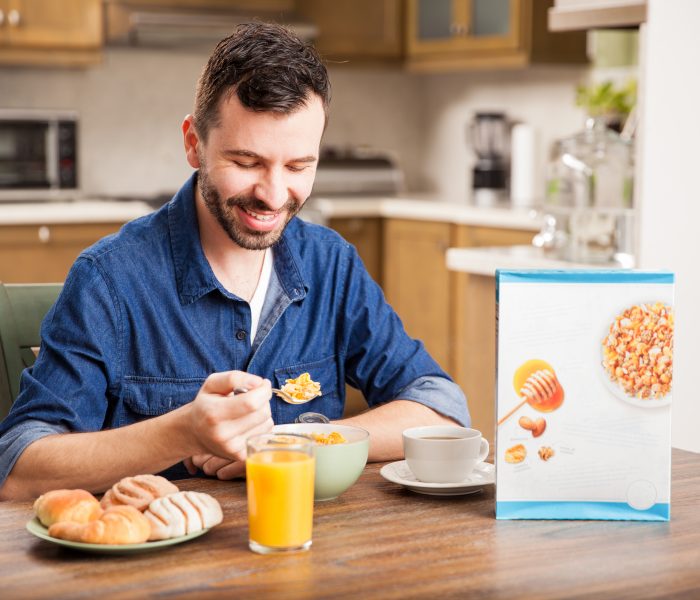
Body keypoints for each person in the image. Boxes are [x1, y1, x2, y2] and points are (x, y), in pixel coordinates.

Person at [0, 23, 469, 500]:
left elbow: (440, 407)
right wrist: (182, 432)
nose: (273, 194)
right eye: (247, 162)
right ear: (193, 144)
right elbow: (18, 468)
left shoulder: (332, 264)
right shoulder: (109, 281)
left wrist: (285, 445)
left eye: (298, 166)